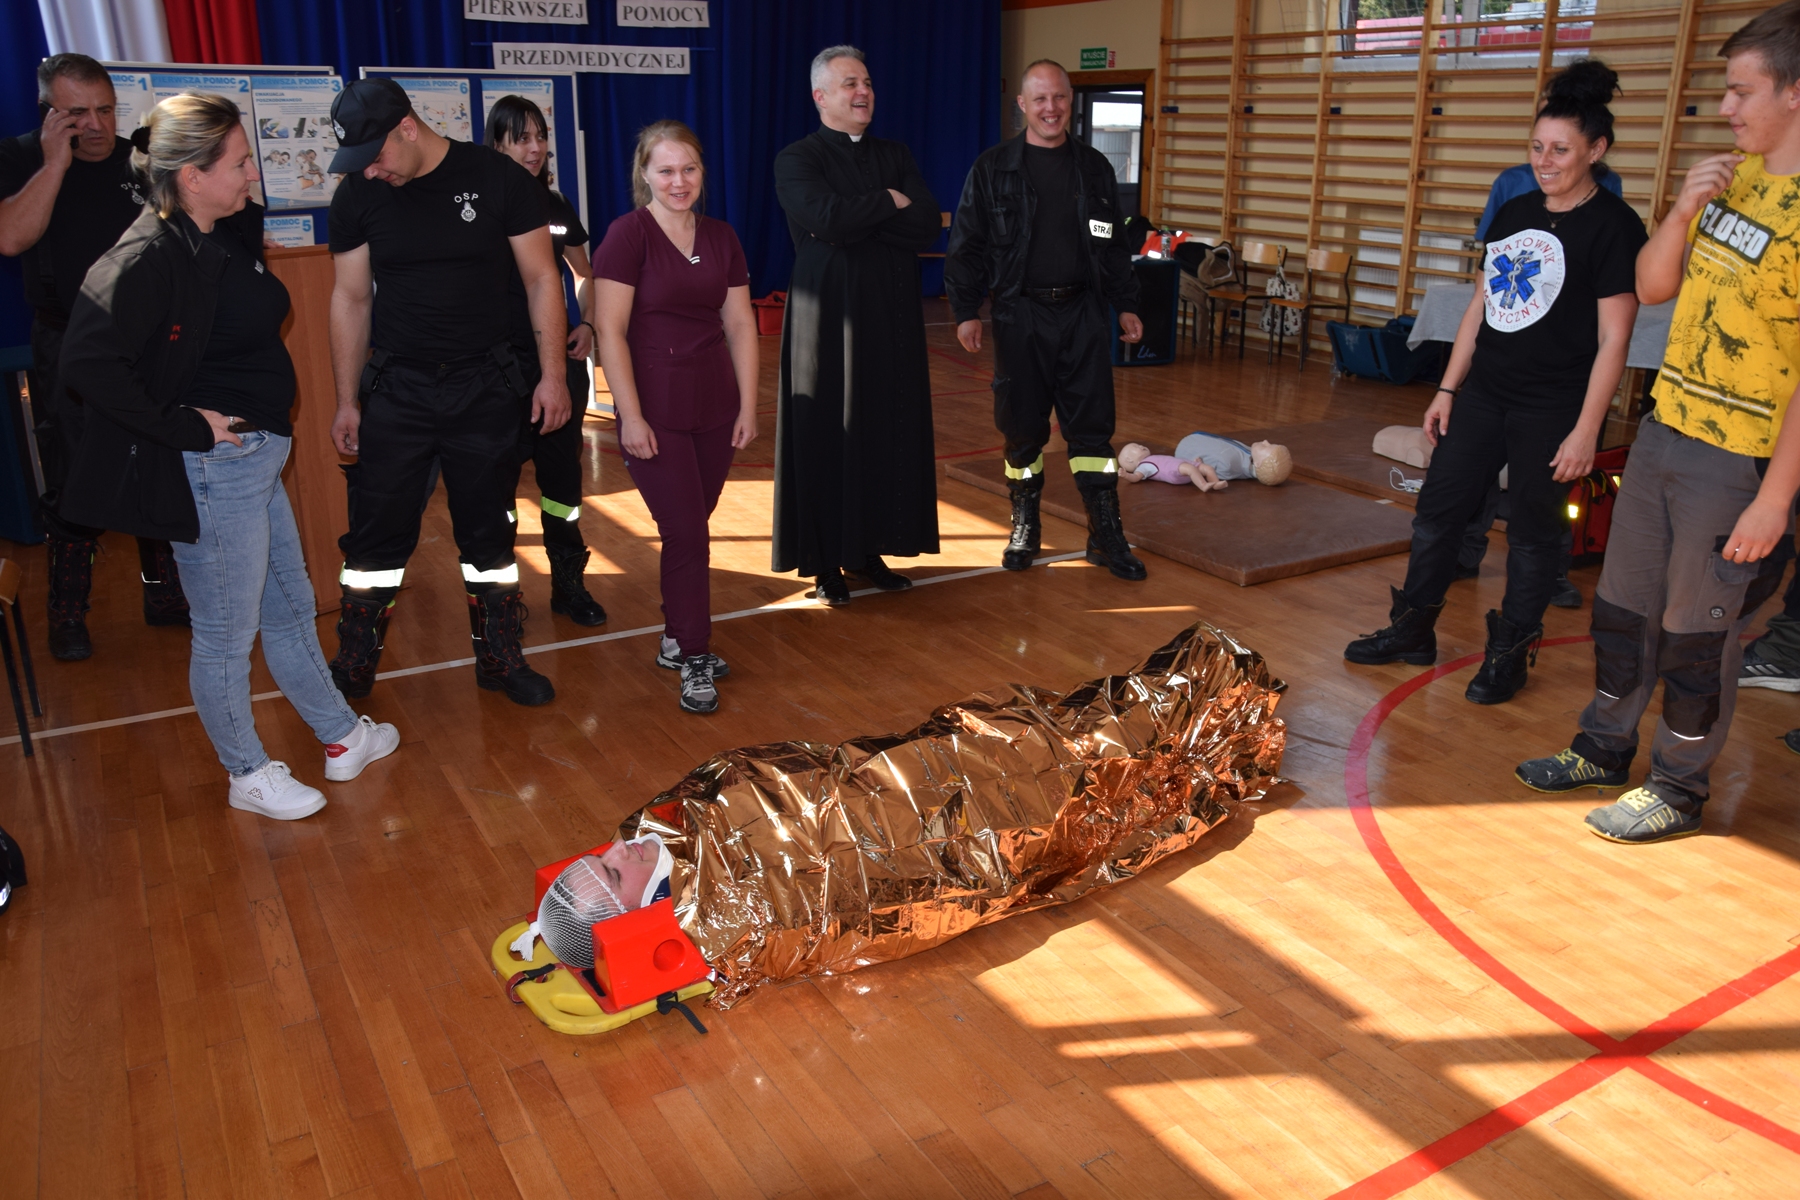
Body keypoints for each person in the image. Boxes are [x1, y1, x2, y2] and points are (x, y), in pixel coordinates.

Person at [58, 94, 399, 819]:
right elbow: (87, 362)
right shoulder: (148, 254)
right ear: (191, 176)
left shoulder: (218, 232)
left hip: (254, 460)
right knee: (225, 634)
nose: (253, 175)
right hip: (214, 470)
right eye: (241, 163)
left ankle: (342, 736)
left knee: (291, 608)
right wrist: (181, 427)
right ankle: (247, 773)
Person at [1516, 7, 1800, 843]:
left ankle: (1677, 786)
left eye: (1742, 91)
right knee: (1622, 608)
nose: (1725, 107)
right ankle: (1603, 747)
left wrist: (1773, 500)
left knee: (1694, 633)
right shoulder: (1732, 178)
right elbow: (1652, 287)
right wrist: (1679, 212)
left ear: (1795, 92)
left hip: (1738, 459)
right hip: (1665, 430)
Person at [1345, 60, 1646, 706]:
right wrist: (1446, 389)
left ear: (1596, 150)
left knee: (1533, 533)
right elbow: (1480, 307)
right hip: (1483, 394)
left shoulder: (1616, 227)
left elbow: (1615, 340)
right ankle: (1412, 629)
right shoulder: (1514, 211)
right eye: (1537, 147)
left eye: (1560, 149)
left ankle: (1509, 653)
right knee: (1438, 511)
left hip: (1553, 405)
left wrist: (1587, 430)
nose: (1544, 161)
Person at [324, 77, 570, 707]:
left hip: (484, 386)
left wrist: (552, 375)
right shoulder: (358, 195)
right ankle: (353, 661)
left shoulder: (498, 179)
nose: (371, 171)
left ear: (408, 127)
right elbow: (350, 298)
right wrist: (347, 399)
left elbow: (542, 279)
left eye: (376, 155)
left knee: (489, 534)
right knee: (376, 535)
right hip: (397, 388)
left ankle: (500, 656)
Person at [0, 52, 190, 661]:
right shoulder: (20, 158)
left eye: (105, 110)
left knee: (157, 461)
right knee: (76, 473)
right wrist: (55, 163)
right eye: (77, 113)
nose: (96, 125)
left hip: (148, 341)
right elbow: (12, 237)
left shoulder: (139, 160)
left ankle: (163, 592)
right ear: (49, 114)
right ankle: (67, 610)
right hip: (70, 341)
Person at [946, 59, 1146, 580]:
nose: (1050, 108)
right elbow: (967, 245)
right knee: (1021, 432)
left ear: (1070, 100)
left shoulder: (1095, 169)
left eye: (1058, 97)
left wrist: (1125, 302)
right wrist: (966, 310)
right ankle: (1025, 528)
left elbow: (1112, 243)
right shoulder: (992, 170)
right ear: (1022, 105)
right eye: (1039, 99)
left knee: (1093, 435)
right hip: (1020, 314)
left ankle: (1106, 536)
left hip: (1083, 315)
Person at [592, 121, 758, 715]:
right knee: (687, 532)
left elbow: (740, 324)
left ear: (702, 172)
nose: (678, 181)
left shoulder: (721, 236)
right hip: (655, 409)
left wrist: (748, 404)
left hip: (714, 405)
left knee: (689, 528)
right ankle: (693, 653)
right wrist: (629, 415)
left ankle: (673, 637)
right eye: (665, 170)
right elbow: (609, 331)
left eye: (688, 168)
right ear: (645, 174)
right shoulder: (627, 235)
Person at [772, 45, 943, 606]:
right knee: (828, 433)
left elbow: (925, 225)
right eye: (850, 83)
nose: (863, 91)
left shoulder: (895, 153)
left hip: (890, 320)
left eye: (866, 82)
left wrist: (860, 217)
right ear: (820, 96)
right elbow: (825, 220)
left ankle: (869, 549)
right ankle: (826, 562)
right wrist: (888, 202)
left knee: (882, 431)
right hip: (825, 320)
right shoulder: (796, 158)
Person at [485, 94, 607, 627]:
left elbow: (587, 273)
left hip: (557, 367)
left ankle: (568, 585)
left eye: (540, 137)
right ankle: (501, 599)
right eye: (521, 139)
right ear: (496, 145)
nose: (534, 148)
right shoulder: (479, 207)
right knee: (497, 492)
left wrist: (589, 324)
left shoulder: (555, 205)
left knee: (562, 488)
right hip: (497, 374)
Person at [1118, 437, 1291, 491]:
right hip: (1177, 470)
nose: (1140, 446)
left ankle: (1214, 483)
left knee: (1205, 468)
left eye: (1137, 445)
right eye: (1135, 448)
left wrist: (1195, 462)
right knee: (1192, 469)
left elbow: (1173, 461)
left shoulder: (1150, 460)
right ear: (1131, 462)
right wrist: (1128, 475)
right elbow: (1137, 477)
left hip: (1180, 465)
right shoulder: (1143, 466)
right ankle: (1203, 485)